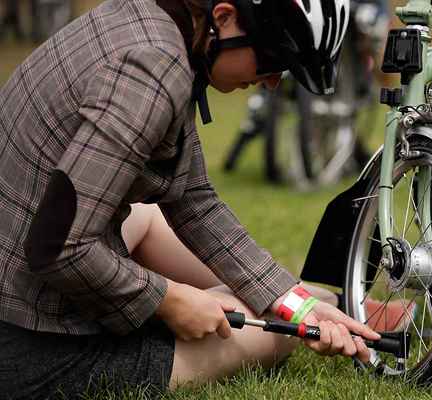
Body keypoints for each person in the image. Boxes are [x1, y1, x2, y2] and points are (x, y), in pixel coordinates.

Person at [0, 0, 386, 398]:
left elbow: (194, 199)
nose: (273, 82)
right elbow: (57, 247)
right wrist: (167, 300)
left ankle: (324, 302)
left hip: (13, 264)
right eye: (274, 58)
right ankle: (340, 303)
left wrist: (293, 301)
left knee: (276, 299)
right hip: (26, 342)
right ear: (223, 17)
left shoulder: (155, 24)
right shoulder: (155, 69)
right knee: (274, 335)